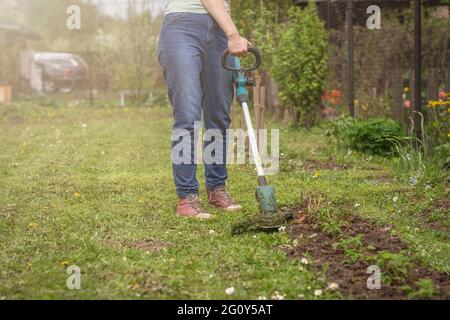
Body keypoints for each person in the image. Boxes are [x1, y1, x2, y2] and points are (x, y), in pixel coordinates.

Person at [157, 0, 251, 219]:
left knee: (219, 115)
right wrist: (234, 33)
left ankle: (217, 188)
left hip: (219, 29)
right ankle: (187, 197)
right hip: (182, 26)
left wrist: (227, 28)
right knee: (188, 115)